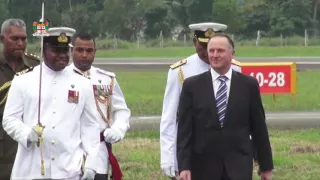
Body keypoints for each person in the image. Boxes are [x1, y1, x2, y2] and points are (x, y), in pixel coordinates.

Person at [2, 27, 101, 180]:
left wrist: (92, 163)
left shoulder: (82, 83)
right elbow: (9, 119)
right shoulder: (23, 81)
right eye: (56, 51)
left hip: (69, 170)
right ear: (43, 50)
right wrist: (27, 134)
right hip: (32, 169)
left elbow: (90, 125)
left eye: (65, 51)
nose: (62, 56)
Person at [176, 33, 274, 180]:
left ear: (232, 54)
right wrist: (184, 166)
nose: (215, 55)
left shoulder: (249, 85)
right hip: (203, 167)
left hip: (238, 167)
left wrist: (266, 166)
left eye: (220, 51)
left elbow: (259, 128)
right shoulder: (191, 86)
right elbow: (184, 131)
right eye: (211, 51)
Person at [160, 22, 242, 179]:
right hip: (192, 150)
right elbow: (169, 117)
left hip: (226, 152)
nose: (208, 53)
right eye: (203, 47)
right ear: (194, 42)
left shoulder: (235, 68)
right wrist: (168, 157)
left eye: (212, 47)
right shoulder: (180, 71)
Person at [69, 32, 131, 180]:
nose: (84, 55)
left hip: (98, 151)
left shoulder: (105, 79)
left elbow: (121, 110)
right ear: (71, 51)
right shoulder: (61, 77)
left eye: (89, 50)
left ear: (95, 52)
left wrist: (118, 129)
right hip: (69, 151)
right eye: (79, 50)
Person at [0, 18, 41, 180]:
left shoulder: (36, 66)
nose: (20, 43)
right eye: (14, 38)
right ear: (2, 39)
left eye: (23, 39)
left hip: (28, 138)